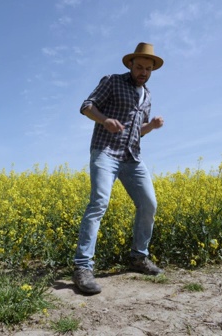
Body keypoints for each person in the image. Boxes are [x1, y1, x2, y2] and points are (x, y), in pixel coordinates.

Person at [73, 42, 165, 295]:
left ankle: (138, 257)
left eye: (148, 68)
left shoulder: (147, 95)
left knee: (149, 204)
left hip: (132, 157)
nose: (143, 72)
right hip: (106, 151)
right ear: (131, 65)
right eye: (139, 67)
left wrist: (152, 126)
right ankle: (82, 267)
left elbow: (138, 132)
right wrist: (105, 120)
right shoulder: (112, 81)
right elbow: (86, 106)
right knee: (98, 204)